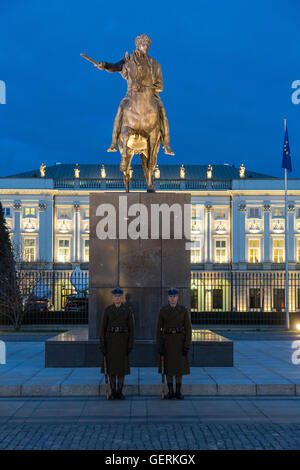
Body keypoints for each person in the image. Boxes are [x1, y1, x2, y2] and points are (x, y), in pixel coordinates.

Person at [96, 33, 174, 156]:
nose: (146, 47)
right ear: (138, 45)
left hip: (150, 96)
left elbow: (160, 86)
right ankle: (114, 141)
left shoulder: (155, 64)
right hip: (131, 95)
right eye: (144, 44)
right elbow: (115, 67)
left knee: (162, 111)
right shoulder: (128, 60)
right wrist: (105, 65)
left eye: (148, 45)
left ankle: (166, 143)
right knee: (121, 108)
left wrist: (150, 87)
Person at [99, 288, 135, 400]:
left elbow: (131, 329)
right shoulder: (108, 310)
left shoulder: (127, 310)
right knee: (111, 368)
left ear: (122, 297)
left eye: (119, 296)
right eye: (115, 296)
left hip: (122, 342)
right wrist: (102, 345)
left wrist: (130, 345)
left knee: (121, 368)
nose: (117, 298)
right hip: (110, 342)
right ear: (112, 298)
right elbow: (102, 329)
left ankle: (119, 391)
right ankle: (113, 390)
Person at [156, 288, 192, 400]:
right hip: (167, 342)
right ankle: (170, 391)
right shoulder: (163, 310)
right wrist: (160, 345)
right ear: (168, 298)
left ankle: (178, 391)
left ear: (178, 297)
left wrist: (186, 345)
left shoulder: (183, 310)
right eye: (171, 297)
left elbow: (188, 329)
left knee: (179, 368)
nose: (172, 299)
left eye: (174, 296)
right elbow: (158, 329)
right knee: (168, 368)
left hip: (179, 342)